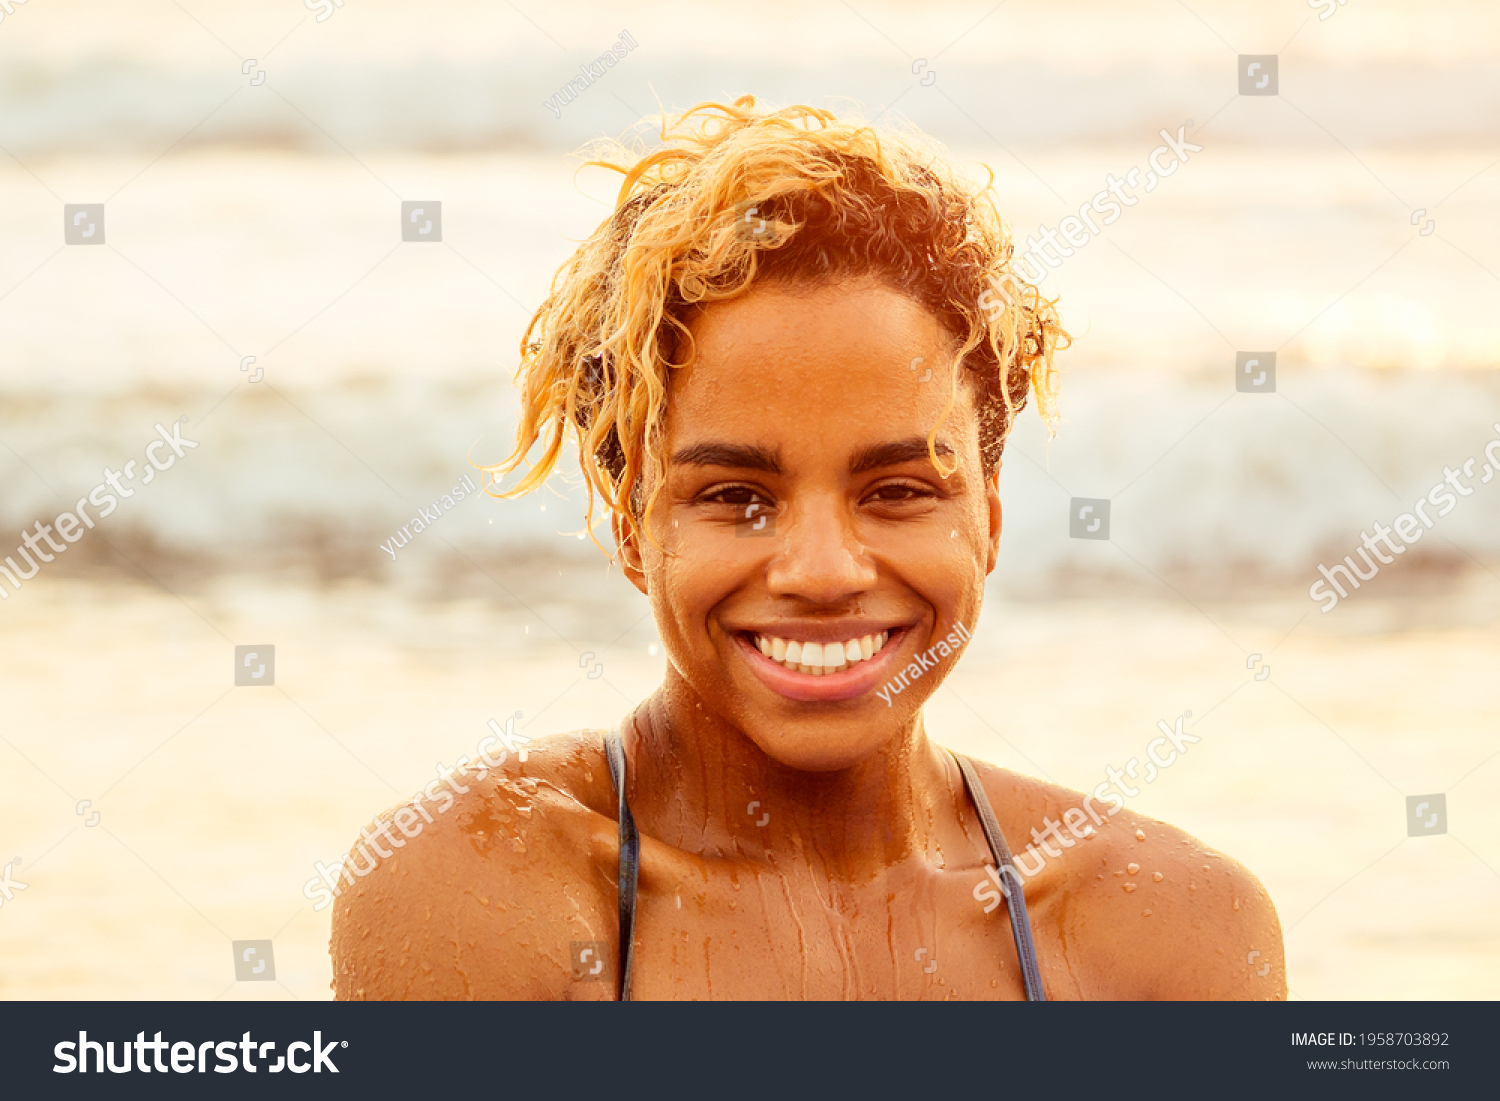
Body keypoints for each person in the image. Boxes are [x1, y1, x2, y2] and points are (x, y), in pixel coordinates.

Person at [330, 95, 1285, 1000]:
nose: (824, 571)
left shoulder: (1170, 935)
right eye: (737, 495)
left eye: (898, 491)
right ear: (632, 525)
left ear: (988, 519)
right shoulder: (483, 889)